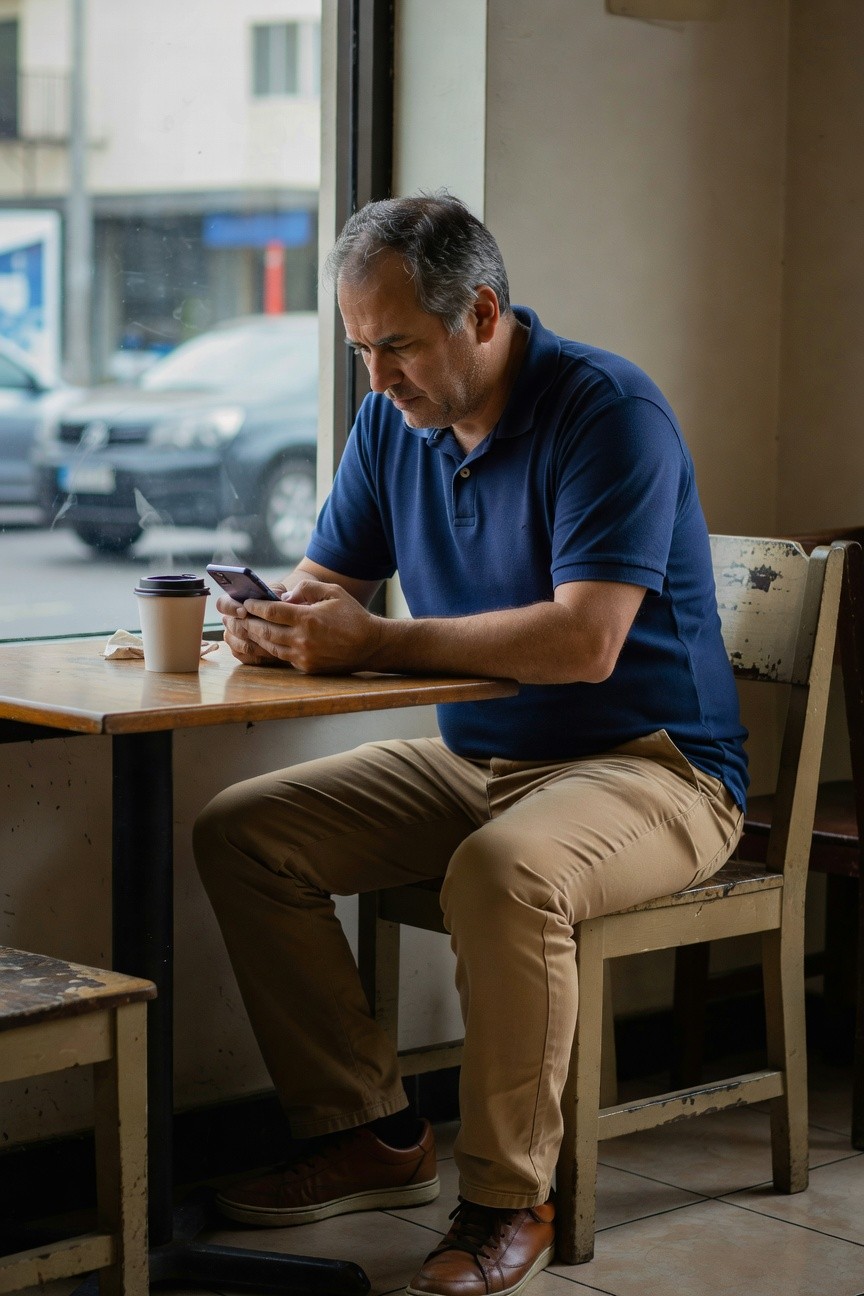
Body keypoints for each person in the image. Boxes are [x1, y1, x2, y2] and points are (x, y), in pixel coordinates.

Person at [193, 192, 747, 1296]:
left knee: (502, 873)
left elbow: (589, 642)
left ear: (481, 313)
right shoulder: (391, 425)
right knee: (246, 832)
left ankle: (507, 1203)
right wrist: (274, 616)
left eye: (395, 344)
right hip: (480, 762)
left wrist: (373, 641)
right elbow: (330, 582)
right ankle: (373, 1130)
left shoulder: (608, 413)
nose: (376, 377)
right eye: (360, 349)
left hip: (654, 766)